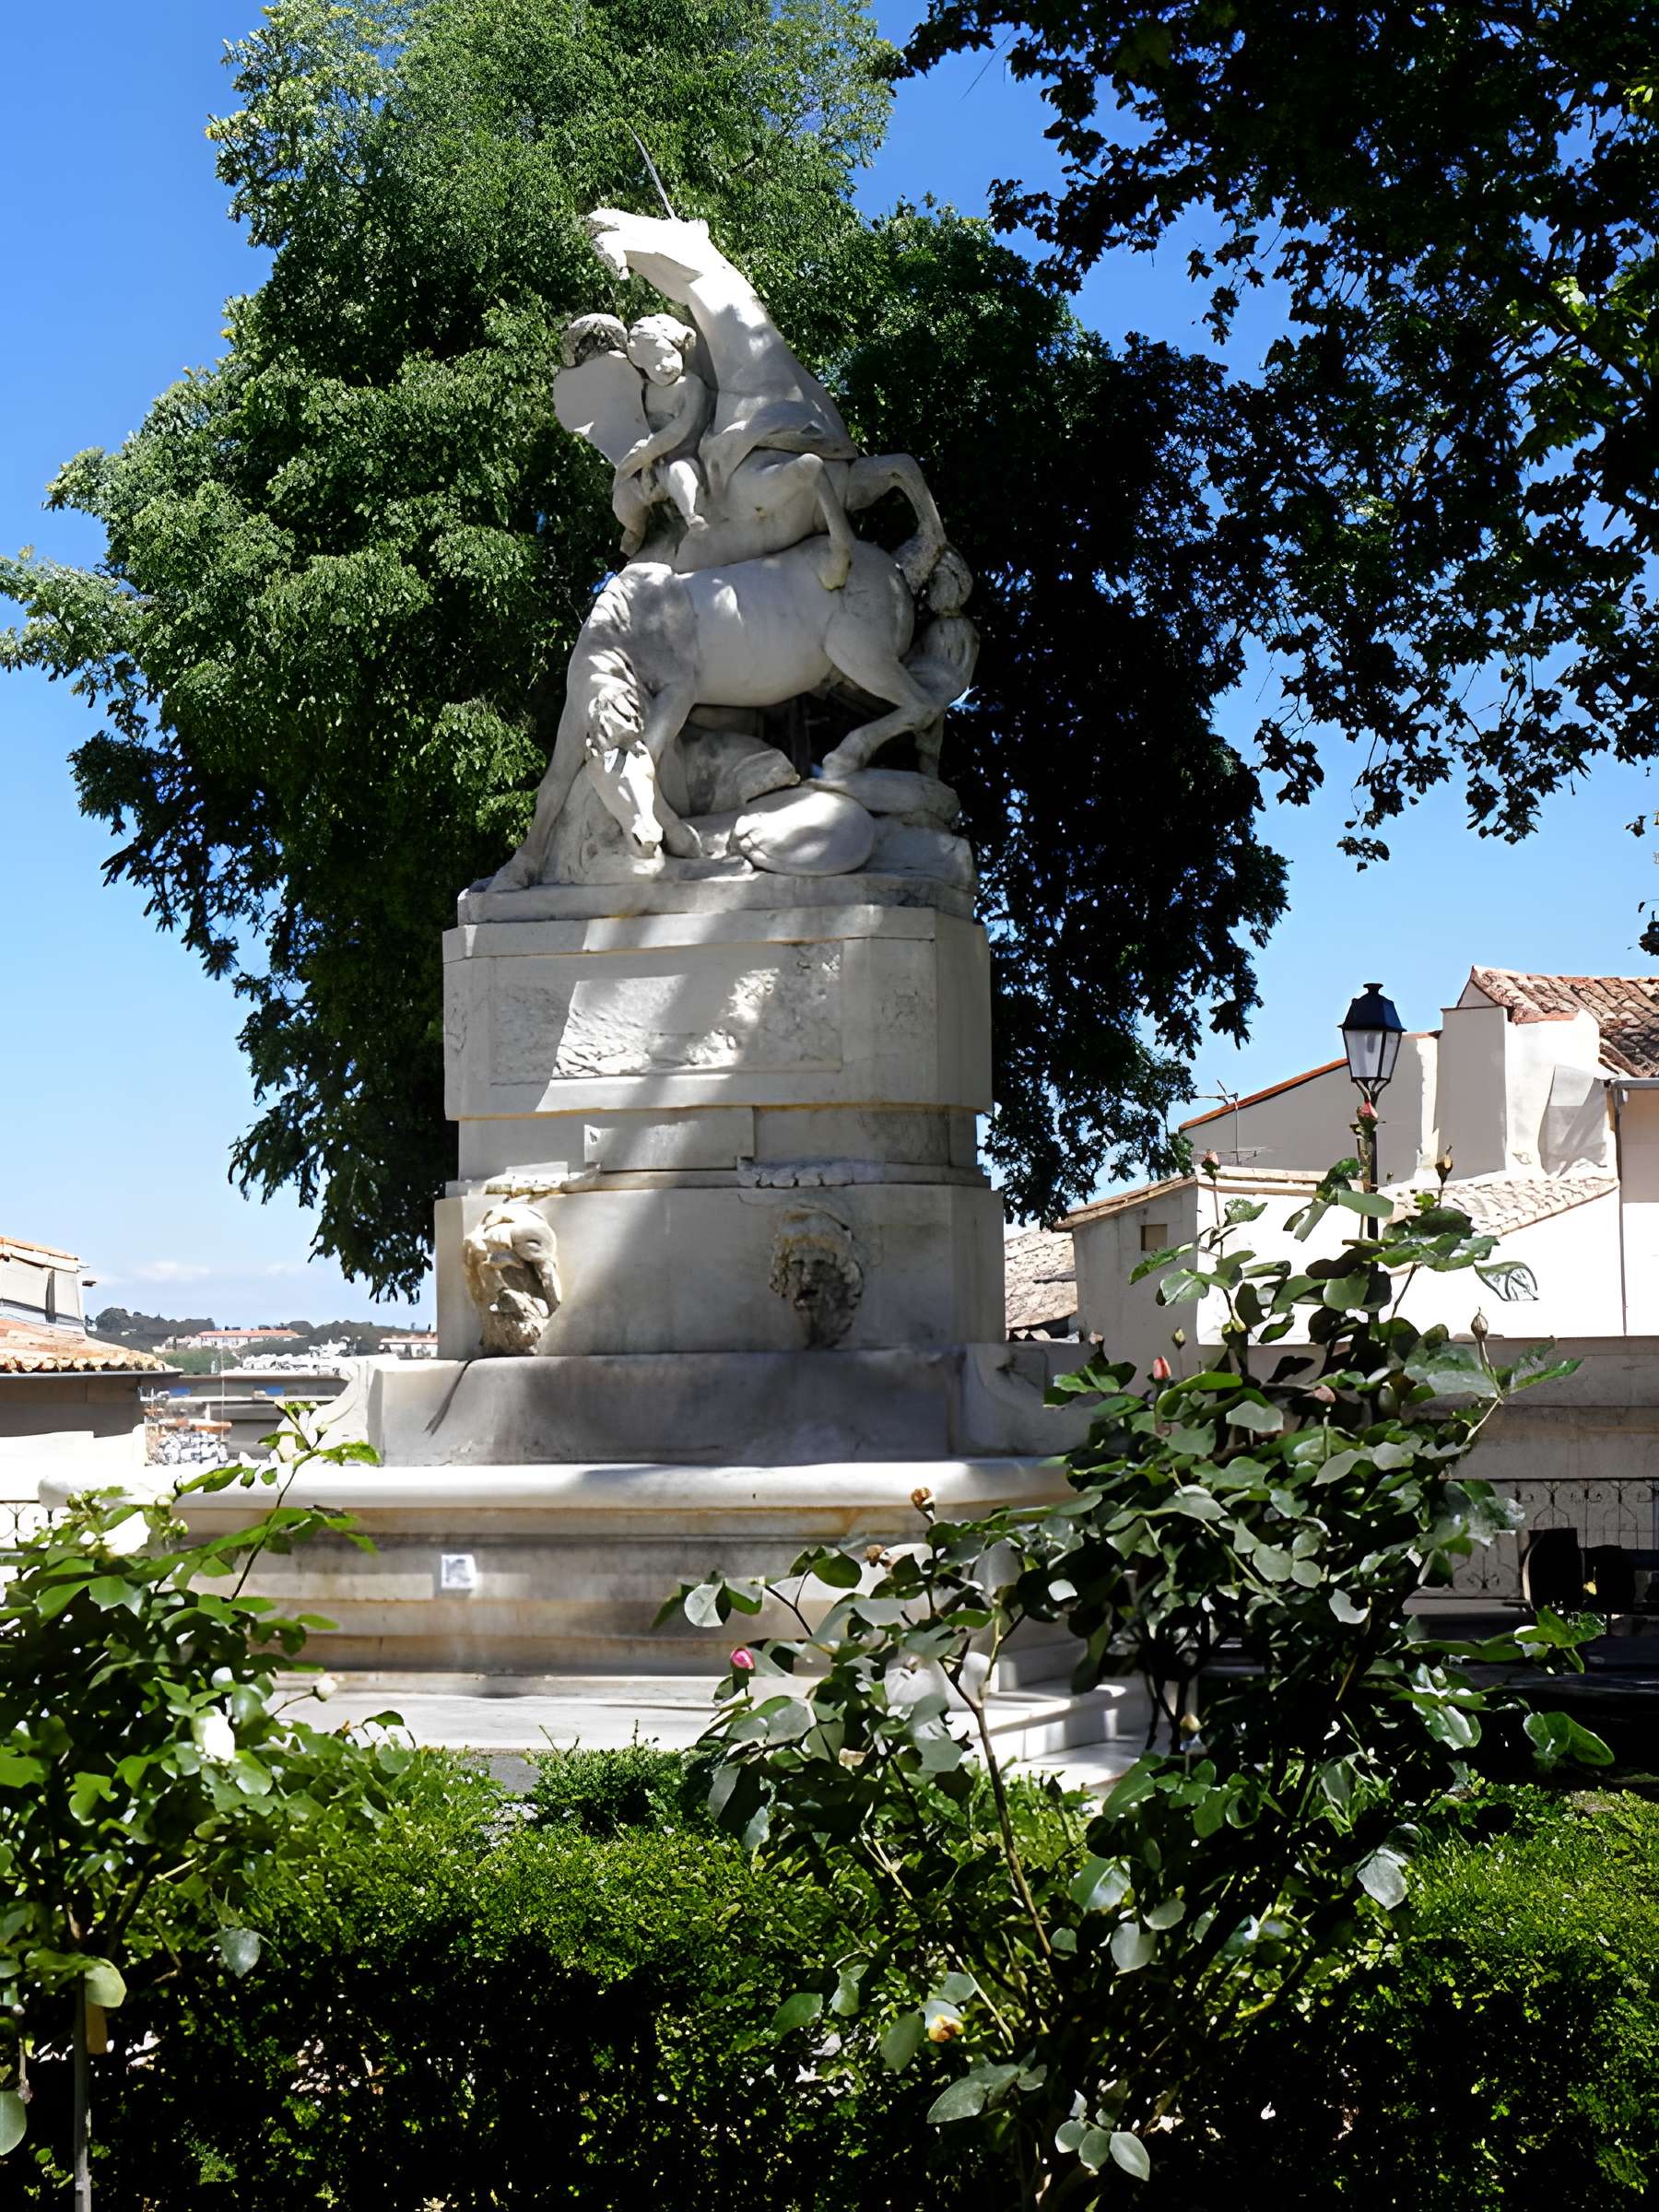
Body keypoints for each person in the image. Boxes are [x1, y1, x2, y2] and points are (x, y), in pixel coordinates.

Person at [613, 313, 711, 550]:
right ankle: (635, 529)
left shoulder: (691, 385)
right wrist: (642, 462)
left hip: (684, 456)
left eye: (667, 355)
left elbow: (682, 428)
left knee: (682, 474)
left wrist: (648, 450)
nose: (662, 366)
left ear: (679, 348)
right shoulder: (647, 393)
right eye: (653, 364)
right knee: (624, 496)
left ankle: (691, 517)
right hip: (650, 466)